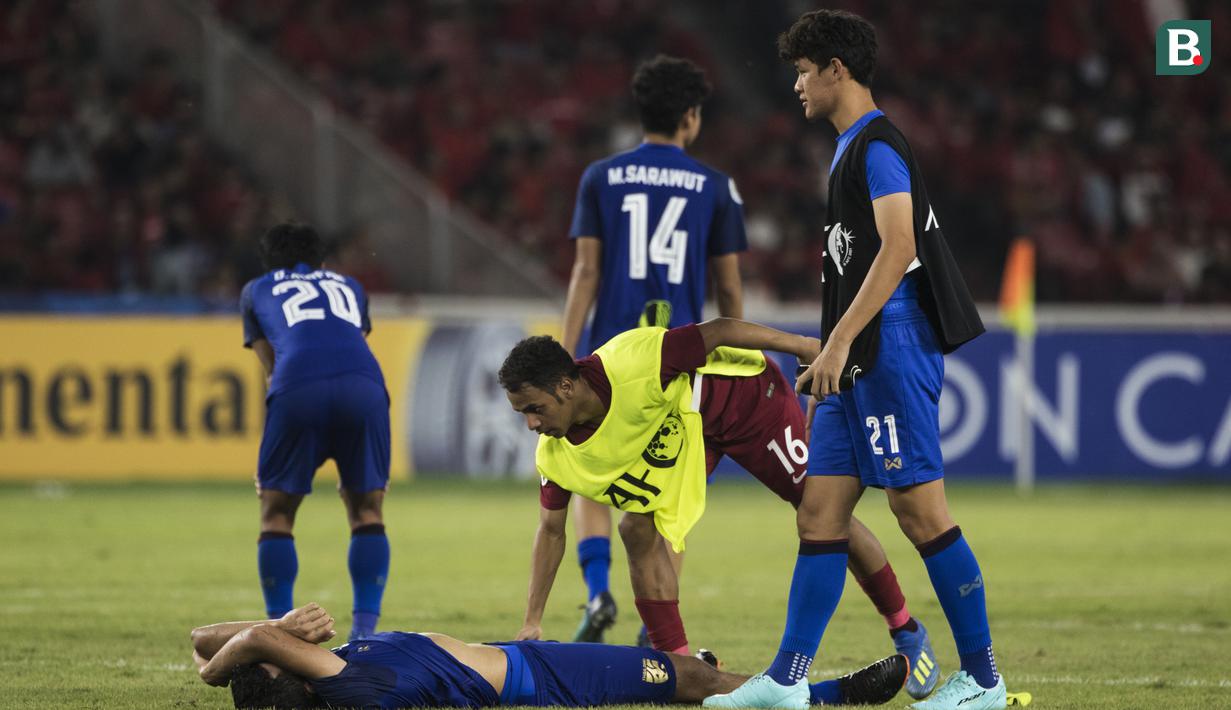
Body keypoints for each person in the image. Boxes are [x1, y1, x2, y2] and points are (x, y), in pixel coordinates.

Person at [704, 11, 1002, 710]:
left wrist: (837, 343)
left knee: (918, 512)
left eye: (804, 71)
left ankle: (984, 680)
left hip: (888, 344)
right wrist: (829, 361)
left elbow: (900, 247)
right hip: (853, 352)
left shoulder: (877, 146)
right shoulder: (846, 149)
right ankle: (784, 680)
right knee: (819, 512)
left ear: (837, 67)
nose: (797, 86)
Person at [500, 318, 935, 707]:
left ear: (564, 387)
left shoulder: (633, 360)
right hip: (686, 431)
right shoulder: (553, 456)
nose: (531, 425)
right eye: (522, 414)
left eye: (534, 409)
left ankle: (905, 628)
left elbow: (722, 331)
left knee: (822, 513)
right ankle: (682, 668)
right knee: (637, 527)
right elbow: (551, 531)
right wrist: (532, 621)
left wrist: (804, 346)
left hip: (746, 401)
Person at [560, 54, 747, 645]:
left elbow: (585, 273)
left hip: (607, 361)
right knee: (667, 496)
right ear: (690, 117)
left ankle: (596, 591)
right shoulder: (716, 187)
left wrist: (564, 355)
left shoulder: (599, 177)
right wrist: (737, 357)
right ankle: (654, 627)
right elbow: (729, 286)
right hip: (676, 361)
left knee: (587, 474)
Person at [191, 603, 909, 709]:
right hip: (539, 680)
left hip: (518, 662)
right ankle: (831, 696)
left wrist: (220, 657)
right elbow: (234, 644)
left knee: (668, 671)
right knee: (685, 675)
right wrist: (264, 630)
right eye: (283, 647)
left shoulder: (334, 670)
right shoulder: (344, 685)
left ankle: (669, 678)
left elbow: (205, 637)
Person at [240, 222, 392, 643]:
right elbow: (348, 345)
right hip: (365, 385)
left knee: (276, 512)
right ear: (323, 262)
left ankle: (283, 634)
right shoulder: (351, 285)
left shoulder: (256, 290)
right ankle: (364, 637)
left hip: (298, 387)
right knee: (367, 510)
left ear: (269, 264)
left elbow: (273, 370)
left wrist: (269, 461)